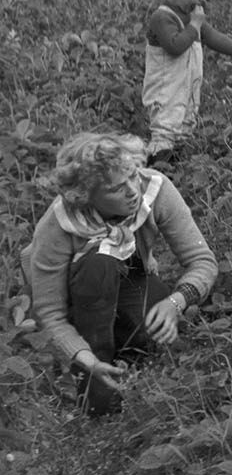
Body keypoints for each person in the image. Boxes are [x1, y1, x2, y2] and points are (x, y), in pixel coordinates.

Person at [24, 132, 218, 415]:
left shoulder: (155, 189)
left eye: (132, 175)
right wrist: (86, 359)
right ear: (87, 195)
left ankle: (125, 354)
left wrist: (174, 303)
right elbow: (49, 314)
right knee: (99, 263)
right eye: (116, 188)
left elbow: (202, 261)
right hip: (77, 299)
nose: (132, 191)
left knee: (154, 325)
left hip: (130, 276)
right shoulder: (58, 225)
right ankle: (92, 374)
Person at [144, 0, 232, 166]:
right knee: (165, 131)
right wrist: (194, 25)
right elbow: (175, 46)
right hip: (165, 90)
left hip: (185, 87)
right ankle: (155, 173)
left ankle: (174, 173)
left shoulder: (191, 17)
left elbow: (211, 36)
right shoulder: (162, 17)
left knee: (184, 128)